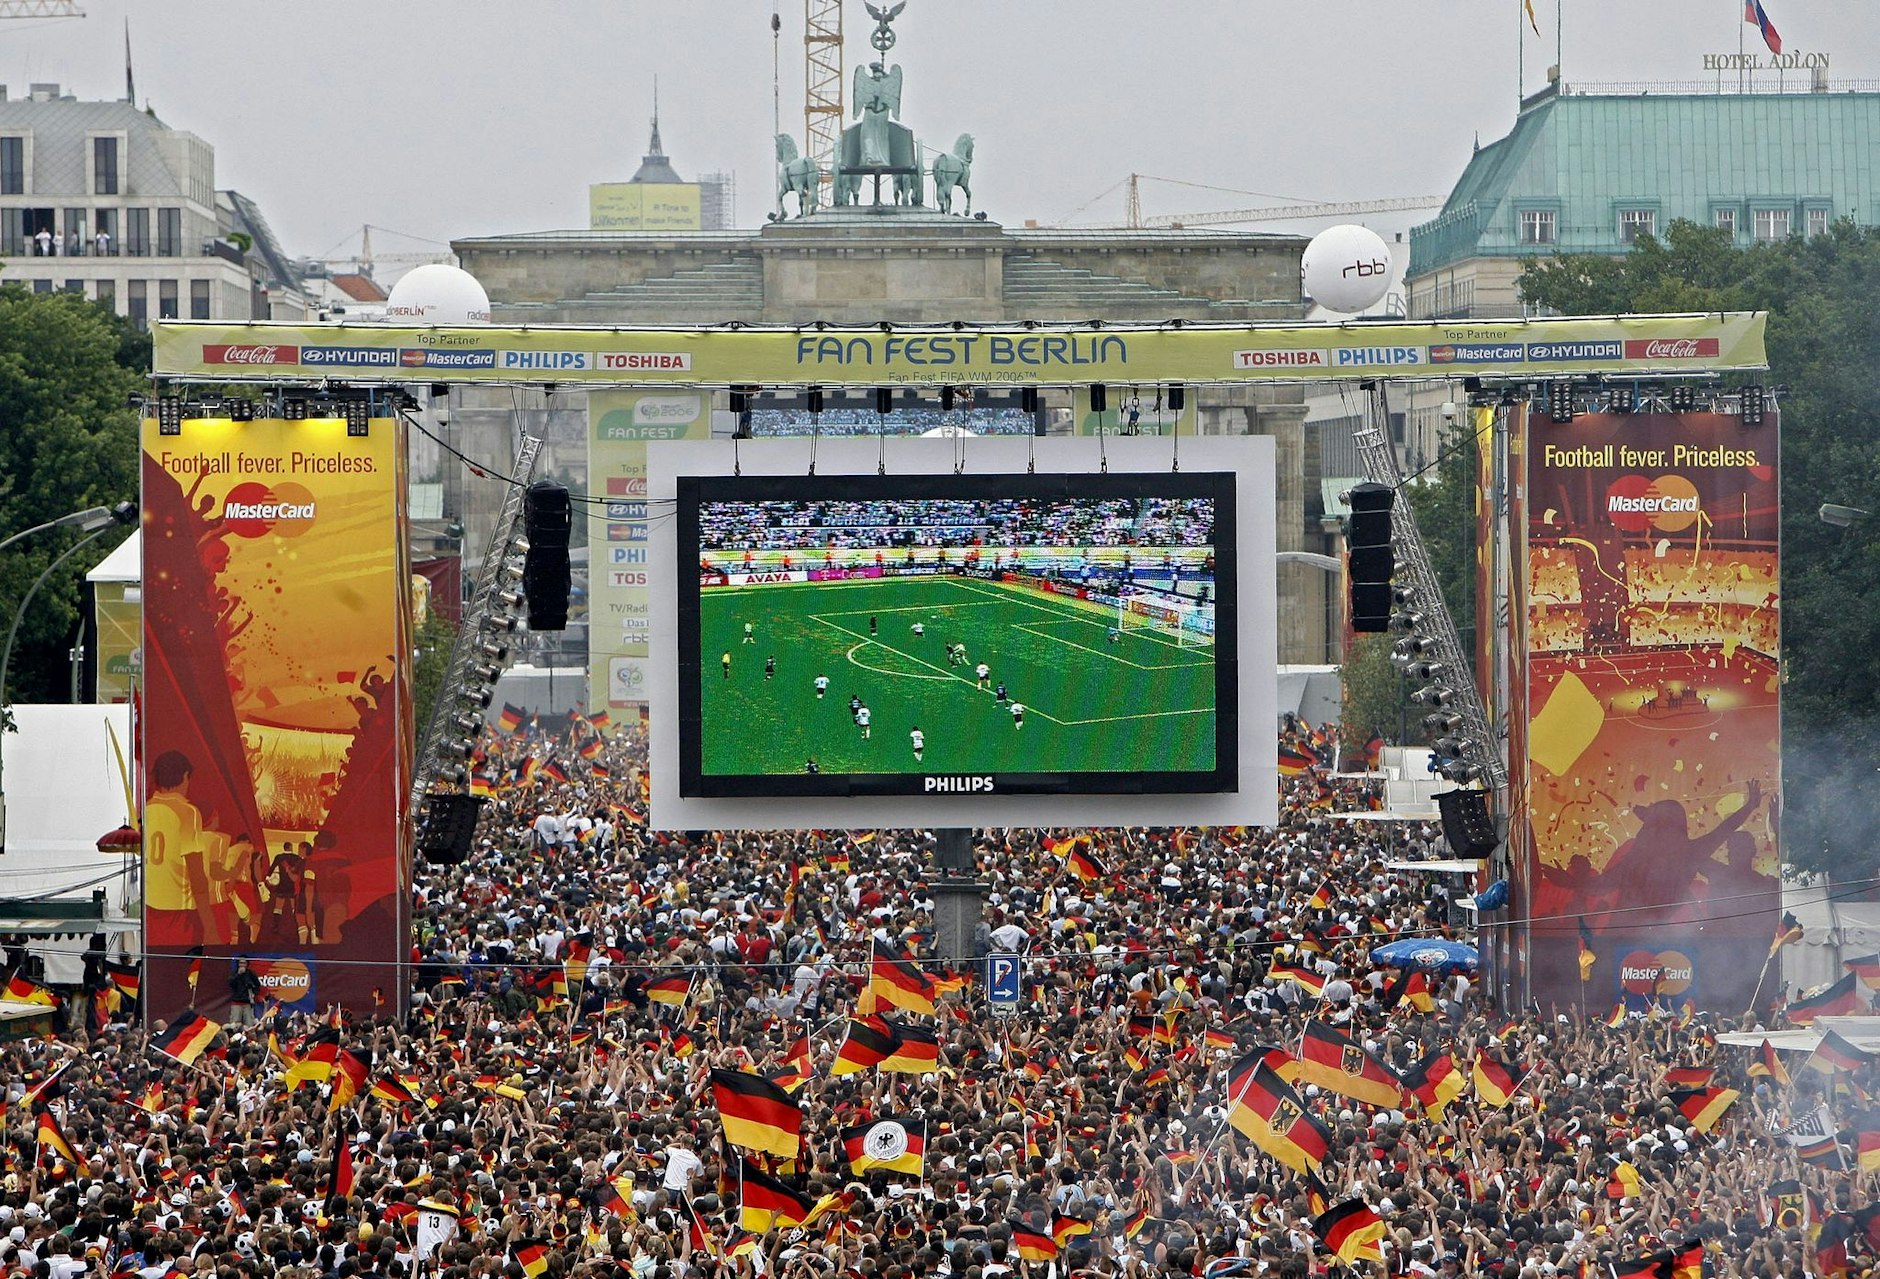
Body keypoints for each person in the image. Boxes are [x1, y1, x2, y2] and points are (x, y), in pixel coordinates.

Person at [227, 958, 261, 1027]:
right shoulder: (234, 973)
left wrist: (254, 993)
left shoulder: (250, 973)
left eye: (244, 963)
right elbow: (230, 983)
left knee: (249, 1024)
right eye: (240, 963)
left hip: (247, 1003)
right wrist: (238, 974)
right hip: (236, 1003)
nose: (242, 965)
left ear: (247, 964)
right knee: (234, 1025)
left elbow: (257, 985)